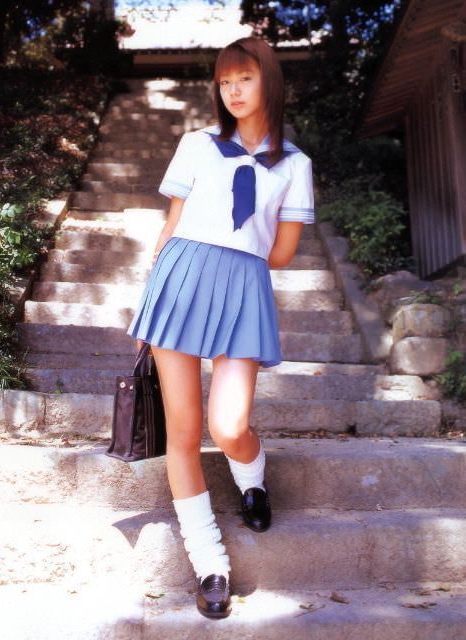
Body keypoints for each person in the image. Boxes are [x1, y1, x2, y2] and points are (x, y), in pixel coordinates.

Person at [128, 36, 315, 619]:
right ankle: (210, 563)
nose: (233, 91)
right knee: (184, 434)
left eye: (245, 79)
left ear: (269, 83)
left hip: (243, 287)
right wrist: (151, 299)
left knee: (229, 426)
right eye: (225, 81)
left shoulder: (295, 166)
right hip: (179, 282)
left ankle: (251, 477)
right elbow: (172, 225)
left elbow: (281, 252)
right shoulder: (196, 144)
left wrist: (239, 250)